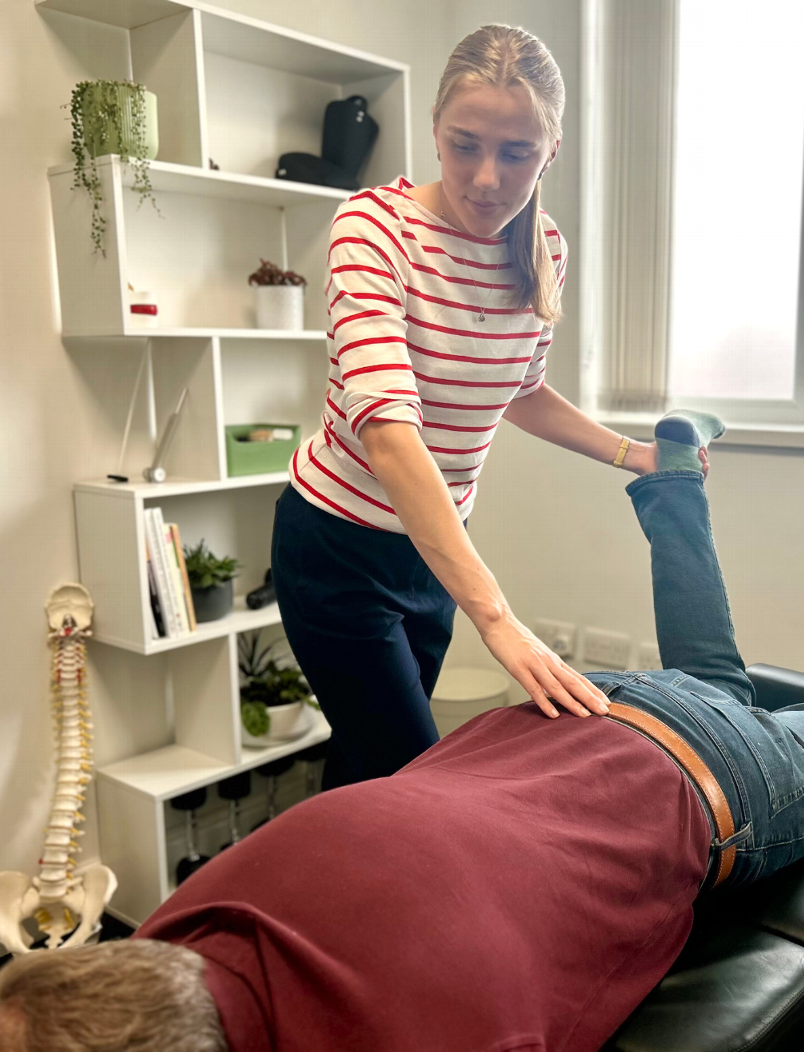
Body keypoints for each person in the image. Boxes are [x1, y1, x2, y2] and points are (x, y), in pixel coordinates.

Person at [0, 414, 804, 1052]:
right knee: (711, 678)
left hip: (719, 779)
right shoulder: (179, 930)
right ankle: (673, 481)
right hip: (570, 710)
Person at [272, 24, 696, 789]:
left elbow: (520, 390)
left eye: (517, 153)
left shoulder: (544, 249)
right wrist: (497, 618)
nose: (487, 179)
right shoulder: (374, 229)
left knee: (370, 772)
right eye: (464, 145)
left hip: (433, 552)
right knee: (411, 776)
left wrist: (632, 455)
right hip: (338, 548)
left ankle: (317, 867)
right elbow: (389, 433)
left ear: (551, 151)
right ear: (434, 128)